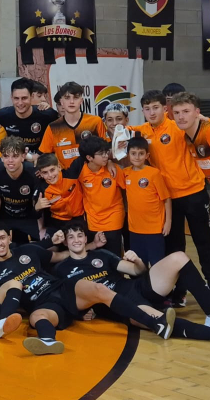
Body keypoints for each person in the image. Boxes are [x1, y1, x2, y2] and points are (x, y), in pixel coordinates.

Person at [0, 222, 175, 356]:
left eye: (2, 238)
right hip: (45, 304)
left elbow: (62, 255)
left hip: (63, 289)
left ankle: (154, 322)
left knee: (98, 289)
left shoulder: (29, 250)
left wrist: (91, 246)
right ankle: (48, 342)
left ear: (9, 238)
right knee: (37, 317)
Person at [53, 222, 210, 339]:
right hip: (123, 305)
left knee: (179, 257)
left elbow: (138, 271)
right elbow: (65, 300)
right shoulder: (62, 269)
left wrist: (137, 261)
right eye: (71, 237)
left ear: (85, 238)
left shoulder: (101, 254)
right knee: (161, 321)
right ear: (65, 242)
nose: (76, 240)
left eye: (79, 235)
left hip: (136, 287)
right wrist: (80, 314)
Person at [129, 90, 210, 303]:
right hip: (168, 199)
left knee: (203, 243)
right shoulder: (142, 131)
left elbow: (198, 124)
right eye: (147, 109)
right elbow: (121, 131)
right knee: (175, 248)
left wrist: (201, 119)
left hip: (194, 193)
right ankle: (180, 292)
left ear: (165, 109)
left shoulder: (178, 126)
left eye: (156, 107)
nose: (152, 112)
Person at [63, 136, 125, 256]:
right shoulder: (80, 171)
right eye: (101, 154)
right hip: (92, 221)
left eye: (106, 152)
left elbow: (126, 187)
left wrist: (111, 162)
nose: (106, 156)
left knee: (114, 257)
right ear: (89, 158)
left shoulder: (113, 169)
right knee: (96, 258)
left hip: (113, 219)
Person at [123, 136, 171, 266]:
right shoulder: (125, 173)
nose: (137, 157)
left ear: (147, 155)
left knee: (157, 264)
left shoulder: (154, 173)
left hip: (154, 229)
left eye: (141, 153)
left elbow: (166, 199)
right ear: (128, 155)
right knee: (139, 265)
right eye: (133, 153)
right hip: (135, 229)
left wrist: (168, 222)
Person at [39, 81, 107, 168]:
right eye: (67, 98)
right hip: (66, 174)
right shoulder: (53, 127)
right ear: (61, 102)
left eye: (76, 97)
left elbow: (107, 148)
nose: (71, 101)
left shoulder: (95, 122)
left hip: (93, 174)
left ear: (81, 101)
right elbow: (45, 156)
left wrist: (109, 162)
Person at [0, 136, 39, 243]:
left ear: (23, 156)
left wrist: (41, 228)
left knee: (48, 245)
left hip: (29, 216)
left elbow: (37, 202)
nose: (10, 160)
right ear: (1, 157)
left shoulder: (33, 172)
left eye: (15, 156)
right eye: (6, 156)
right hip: (6, 216)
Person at [0, 78, 58, 157]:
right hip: (14, 160)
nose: (20, 103)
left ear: (31, 96)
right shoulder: (2, 115)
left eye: (24, 98)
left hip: (41, 160)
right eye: (16, 98)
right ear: (11, 97)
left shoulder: (48, 115)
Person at [35, 153, 84, 235]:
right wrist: (37, 208)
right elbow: (35, 215)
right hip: (56, 223)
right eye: (45, 172)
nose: (50, 175)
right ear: (41, 174)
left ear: (59, 167)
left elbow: (85, 153)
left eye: (52, 170)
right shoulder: (41, 188)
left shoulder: (71, 174)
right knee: (49, 243)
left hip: (79, 219)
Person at [172, 92, 210, 184]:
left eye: (186, 111)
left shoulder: (207, 131)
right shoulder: (186, 136)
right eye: (176, 113)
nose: (180, 117)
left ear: (197, 112)